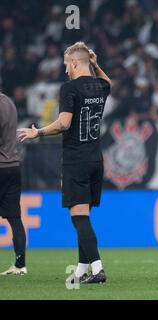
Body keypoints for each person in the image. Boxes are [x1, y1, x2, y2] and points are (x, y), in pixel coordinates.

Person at [17, 42, 112, 284]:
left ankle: (98, 269)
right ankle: (81, 270)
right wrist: (95, 63)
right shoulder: (100, 86)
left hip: (76, 160)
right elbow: (108, 83)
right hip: (95, 159)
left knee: (79, 218)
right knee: (84, 216)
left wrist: (37, 133)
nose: (65, 69)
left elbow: (64, 123)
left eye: (66, 64)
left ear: (74, 63)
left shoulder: (69, 88)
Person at [0, 93, 27, 276]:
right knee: (15, 218)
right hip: (13, 166)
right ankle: (20, 265)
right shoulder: (8, 101)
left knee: (15, 219)